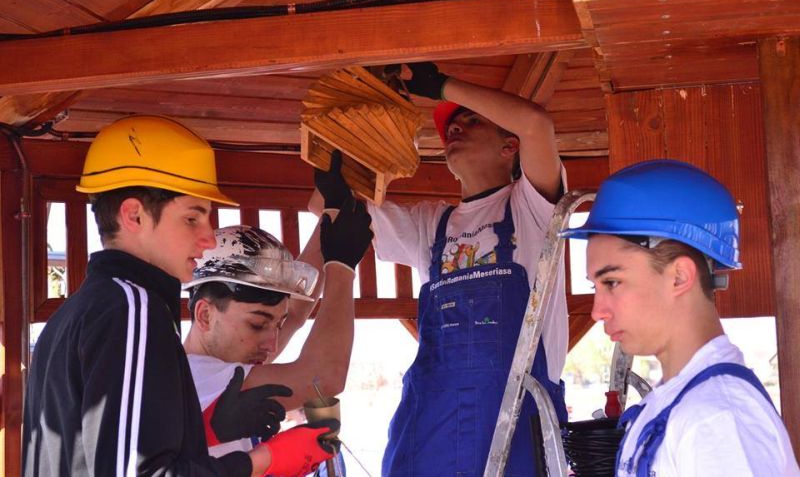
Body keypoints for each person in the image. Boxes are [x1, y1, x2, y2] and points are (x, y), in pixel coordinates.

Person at [22, 114, 335, 476]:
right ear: (134, 216)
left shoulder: (75, 315)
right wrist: (263, 460)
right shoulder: (132, 310)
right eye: (192, 218)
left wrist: (206, 430)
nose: (208, 237)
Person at [314, 62, 569, 476]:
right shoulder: (430, 224)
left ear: (510, 145)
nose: (455, 127)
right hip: (432, 421)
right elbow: (326, 209)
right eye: (451, 126)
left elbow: (537, 125)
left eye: (471, 120)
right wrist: (344, 141)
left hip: (517, 416)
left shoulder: (533, 209)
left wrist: (442, 86)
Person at [560, 159, 800, 476]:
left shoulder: (716, 419)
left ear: (679, 277)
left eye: (612, 282)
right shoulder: (676, 404)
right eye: (596, 286)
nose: (597, 311)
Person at [183, 196, 372, 461]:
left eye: (277, 324)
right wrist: (342, 267)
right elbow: (323, 378)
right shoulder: (199, 377)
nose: (272, 344)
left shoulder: (215, 366)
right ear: (205, 315)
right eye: (257, 325)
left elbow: (294, 313)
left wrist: (331, 214)